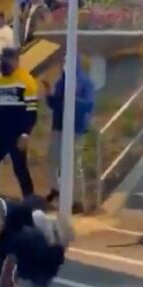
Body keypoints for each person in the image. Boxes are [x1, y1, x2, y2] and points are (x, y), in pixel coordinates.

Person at [0, 47, 38, 200]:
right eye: (1, 62)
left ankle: (30, 200)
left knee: (20, 168)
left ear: (16, 61)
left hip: (16, 133)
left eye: (6, 62)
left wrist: (25, 133)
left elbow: (31, 111)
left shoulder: (26, 80)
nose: (3, 65)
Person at [43, 56, 95, 213]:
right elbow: (55, 104)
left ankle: (77, 200)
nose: (64, 65)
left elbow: (88, 105)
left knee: (74, 164)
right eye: (63, 62)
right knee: (52, 160)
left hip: (76, 128)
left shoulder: (85, 82)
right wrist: (49, 94)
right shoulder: (61, 82)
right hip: (58, 126)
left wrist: (73, 100)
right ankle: (56, 190)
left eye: (67, 61)